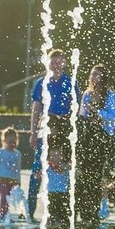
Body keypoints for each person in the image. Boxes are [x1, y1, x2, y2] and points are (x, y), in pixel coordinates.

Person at [28, 49, 77, 216]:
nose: (56, 65)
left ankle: (62, 210)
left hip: (63, 130)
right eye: (53, 62)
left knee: (63, 167)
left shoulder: (70, 82)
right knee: (37, 168)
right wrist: (33, 132)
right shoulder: (41, 83)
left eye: (58, 61)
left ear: (64, 63)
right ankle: (30, 209)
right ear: (47, 63)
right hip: (46, 129)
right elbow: (36, 109)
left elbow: (75, 109)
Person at [79, 64, 115, 224]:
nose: (92, 77)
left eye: (96, 74)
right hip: (87, 137)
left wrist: (97, 112)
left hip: (102, 138)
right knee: (85, 173)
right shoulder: (87, 94)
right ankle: (84, 210)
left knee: (96, 175)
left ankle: (94, 210)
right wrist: (87, 113)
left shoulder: (110, 95)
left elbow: (113, 116)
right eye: (92, 74)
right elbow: (82, 114)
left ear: (103, 77)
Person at [0, 128, 23, 224]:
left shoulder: (17, 154)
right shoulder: (1, 152)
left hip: (12, 179)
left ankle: (6, 215)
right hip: (2, 178)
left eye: (14, 142)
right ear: (4, 141)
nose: (12, 144)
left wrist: (18, 180)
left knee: (9, 198)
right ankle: (2, 216)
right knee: (4, 197)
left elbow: (18, 169)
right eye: (10, 142)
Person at [45, 141, 71, 229]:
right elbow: (40, 174)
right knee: (52, 208)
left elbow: (71, 169)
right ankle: (52, 221)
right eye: (52, 156)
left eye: (57, 155)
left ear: (62, 156)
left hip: (63, 192)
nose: (54, 157)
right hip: (51, 192)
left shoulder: (65, 166)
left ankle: (64, 222)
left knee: (63, 208)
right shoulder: (48, 167)